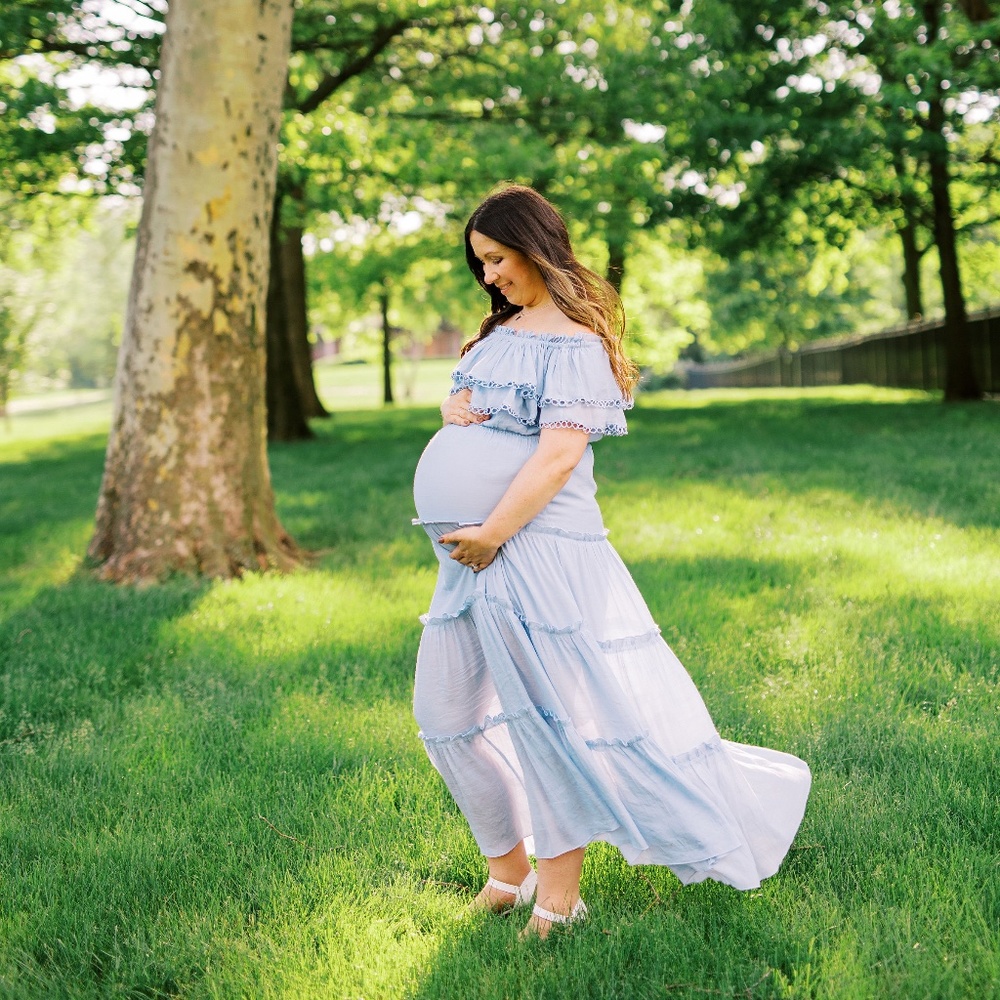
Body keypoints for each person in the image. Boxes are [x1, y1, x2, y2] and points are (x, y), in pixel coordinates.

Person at [411, 184, 810, 939]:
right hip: (469, 561)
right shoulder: (502, 333)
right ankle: (509, 870)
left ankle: (560, 901)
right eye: (481, 264)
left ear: (535, 247)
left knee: (548, 723)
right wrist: (451, 415)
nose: (488, 275)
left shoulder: (576, 345)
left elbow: (559, 456)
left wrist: (493, 530)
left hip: (533, 554)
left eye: (496, 259)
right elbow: (477, 410)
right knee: (443, 719)